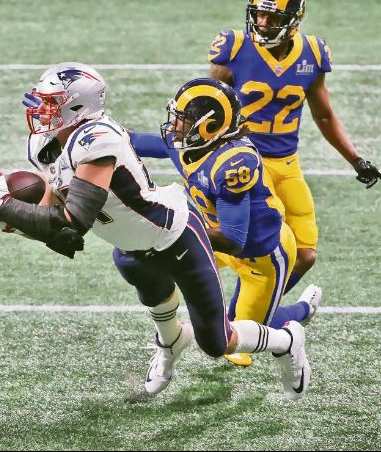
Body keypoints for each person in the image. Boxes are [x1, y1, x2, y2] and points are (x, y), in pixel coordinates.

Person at [0, 62, 311, 399]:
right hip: (131, 246)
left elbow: (72, 224)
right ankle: (171, 344)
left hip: (175, 237)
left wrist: (5, 206)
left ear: (76, 106)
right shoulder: (44, 146)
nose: (41, 110)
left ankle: (287, 339)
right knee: (152, 294)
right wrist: (12, 221)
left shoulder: (96, 141)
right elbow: (58, 230)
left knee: (216, 342)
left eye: (51, 102)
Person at [207, 0, 381, 294]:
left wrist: (355, 159)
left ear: (293, 20)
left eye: (272, 17)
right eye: (258, 14)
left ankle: (255, 314)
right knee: (228, 250)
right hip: (244, 165)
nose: (262, 23)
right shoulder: (234, 48)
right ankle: (203, 317)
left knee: (304, 254)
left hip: (286, 165)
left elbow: (324, 115)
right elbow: (210, 108)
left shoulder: (312, 54)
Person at [130, 77, 321, 368]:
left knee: (232, 338)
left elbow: (234, 237)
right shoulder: (185, 145)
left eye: (183, 119)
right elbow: (130, 141)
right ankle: (169, 336)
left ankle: (302, 310)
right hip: (216, 242)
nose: (174, 125)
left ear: (208, 126)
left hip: (261, 256)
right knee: (153, 264)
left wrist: (176, 230)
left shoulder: (233, 162)